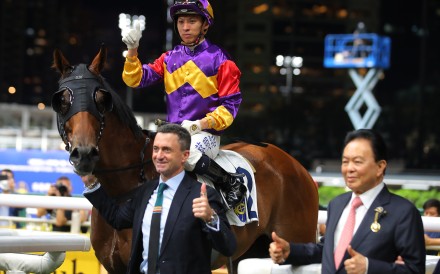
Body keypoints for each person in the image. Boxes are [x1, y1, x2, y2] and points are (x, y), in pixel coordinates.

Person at [121, 0, 245, 209]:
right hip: (173, 133)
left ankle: (230, 183)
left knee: (182, 155)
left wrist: (200, 125)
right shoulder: (169, 58)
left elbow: (230, 106)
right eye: (180, 21)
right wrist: (132, 51)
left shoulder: (222, 60)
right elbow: (135, 80)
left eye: (192, 21)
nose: (185, 27)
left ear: (205, 24)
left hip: (205, 135)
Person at [82, 123, 236, 273]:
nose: (159, 156)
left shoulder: (204, 196)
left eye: (167, 150)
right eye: (156, 149)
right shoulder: (144, 192)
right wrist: (92, 185)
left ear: (185, 156)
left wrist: (211, 218)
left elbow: (228, 247)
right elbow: (117, 218)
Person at [269, 129, 426, 274]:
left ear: (380, 167)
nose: (349, 168)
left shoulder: (403, 212)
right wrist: (290, 251)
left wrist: (369, 267)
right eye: (345, 161)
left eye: (357, 162)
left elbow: (414, 270)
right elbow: (330, 251)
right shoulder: (337, 204)